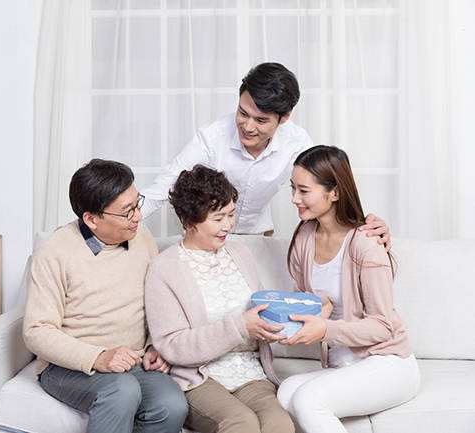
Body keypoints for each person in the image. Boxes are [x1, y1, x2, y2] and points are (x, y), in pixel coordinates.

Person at [141, 62, 391, 244]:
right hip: (205, 238)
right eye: (243, 113)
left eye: (261, 120)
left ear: (284, 118)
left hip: (259, 236)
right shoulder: (211, 138)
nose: (248, 127)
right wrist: (124, 218)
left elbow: (327, 189)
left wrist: (366, 227)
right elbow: (161, 188)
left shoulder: (297, 143)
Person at [23, 159, 188, 433]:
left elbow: (159, 301)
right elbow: (36, 331)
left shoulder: (142, 237)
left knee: (172, 404)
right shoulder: (54, 252)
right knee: (121, 391)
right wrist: (98, 357)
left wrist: (154, 346)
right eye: (127, 211)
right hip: (69, 367)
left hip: (133, 362)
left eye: (137, 204)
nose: (137, 216)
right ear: (91, 219)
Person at [276, 145, 420, 433]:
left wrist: (325, 329)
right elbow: (307, 303)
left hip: (387, 362)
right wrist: (301, 314)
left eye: (304, 191)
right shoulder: (305, 236)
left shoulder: (366, 243)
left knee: (308, 400)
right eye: (293, 188)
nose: (294, 199)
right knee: (285, 393)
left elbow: (382, 327)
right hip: (342, 365)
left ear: (334, 192)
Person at [145, 164, 294, 433]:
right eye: (218, 218)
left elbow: (260, 310)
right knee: (241, 424)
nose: (228, 225)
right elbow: (172, 344)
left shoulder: (240, 252)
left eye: (231, 214)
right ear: (189, 221)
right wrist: (240, 326)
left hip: (251, 373)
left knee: (280, 425)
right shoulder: (164, 268)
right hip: (199, 377)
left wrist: (273, 327)